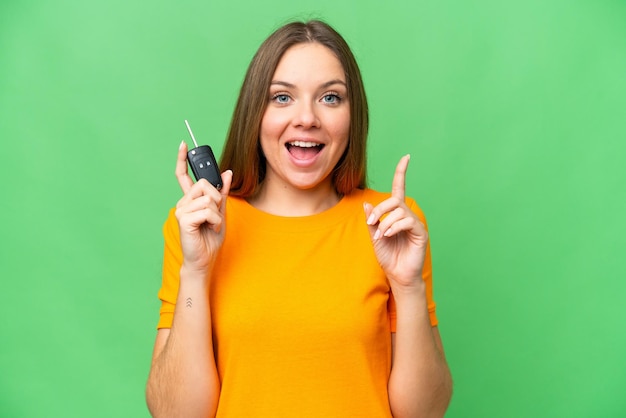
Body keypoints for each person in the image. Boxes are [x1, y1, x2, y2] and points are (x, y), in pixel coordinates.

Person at [146, 19, 452, 418]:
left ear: (352, 115)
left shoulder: (390, 224)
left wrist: (408, 286)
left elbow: (424, 413)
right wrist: (196, 270)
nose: (307, 118)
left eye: (330, 98)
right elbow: (175, 414)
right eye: (282, 98)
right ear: (254, 112)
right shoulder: (198, 225)